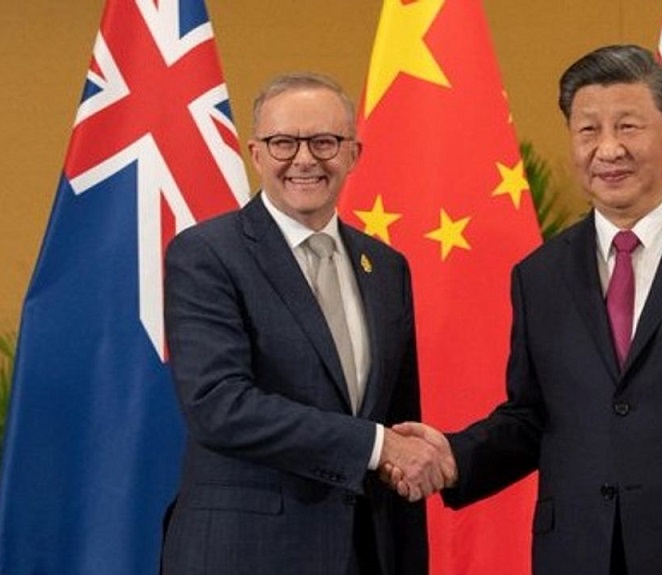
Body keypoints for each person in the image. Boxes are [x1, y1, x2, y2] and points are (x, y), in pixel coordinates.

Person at [390, 45, 662, 574]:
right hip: (580, 553)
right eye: (589, 130)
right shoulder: (540, 275)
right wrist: (454, 457)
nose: (608, 149)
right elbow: (534, 418)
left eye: (628, 127)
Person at [160, 73, 449, 575]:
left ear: (353, 153)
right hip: (244, 555)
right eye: (283, 143)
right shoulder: (207, 254)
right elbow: (218, 405)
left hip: (363, 552)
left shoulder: (386, 267)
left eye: (324, 142)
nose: (304, 159)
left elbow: (397, 419)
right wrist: (376, 445)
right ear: (255, 153)